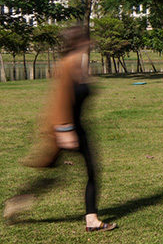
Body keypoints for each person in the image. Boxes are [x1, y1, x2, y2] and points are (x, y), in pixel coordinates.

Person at [3, 25, 117, 232]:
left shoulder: (77, 65)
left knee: (80, 173)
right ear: (79, 42)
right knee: (68, 175)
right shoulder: (66, 65)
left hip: (78, 127)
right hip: (66, 130)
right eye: (86, 40)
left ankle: (90, 219)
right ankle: (19, 201)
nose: (90, 43)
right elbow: (60, 100)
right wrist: (65, 131)